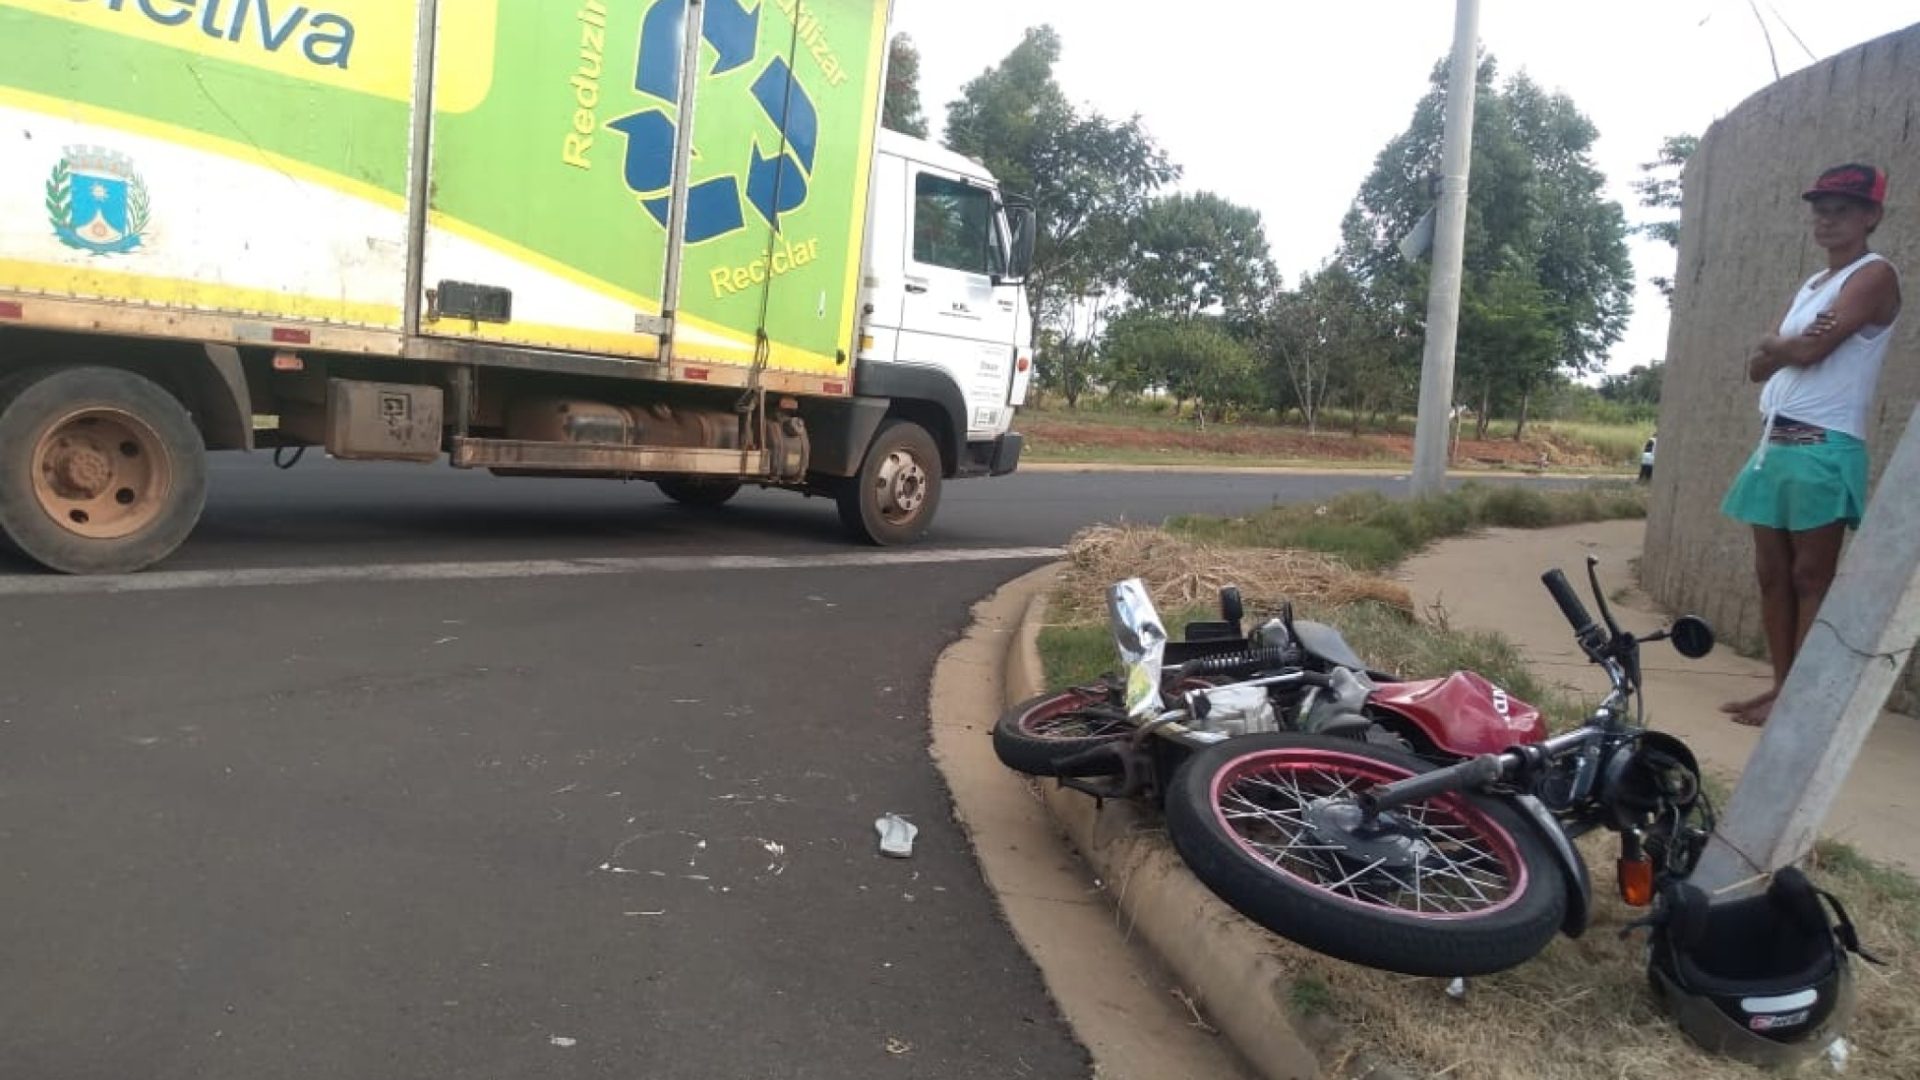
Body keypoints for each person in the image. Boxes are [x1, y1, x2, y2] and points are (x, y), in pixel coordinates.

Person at [1719, 164, 1902, 727]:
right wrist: (1784, 344)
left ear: (1871, 216)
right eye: (1820, 209)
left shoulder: (1875, 275)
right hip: (1775, 445)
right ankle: (1781, 687)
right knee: (1771, 575)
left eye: (1842, 209)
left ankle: (1800, 700)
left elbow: (1803, 354)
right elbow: (1758, 368)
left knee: (1809, 578)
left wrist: (1779, 344)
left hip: (1824, 446)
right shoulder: (1813, 286)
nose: (1826, 219)